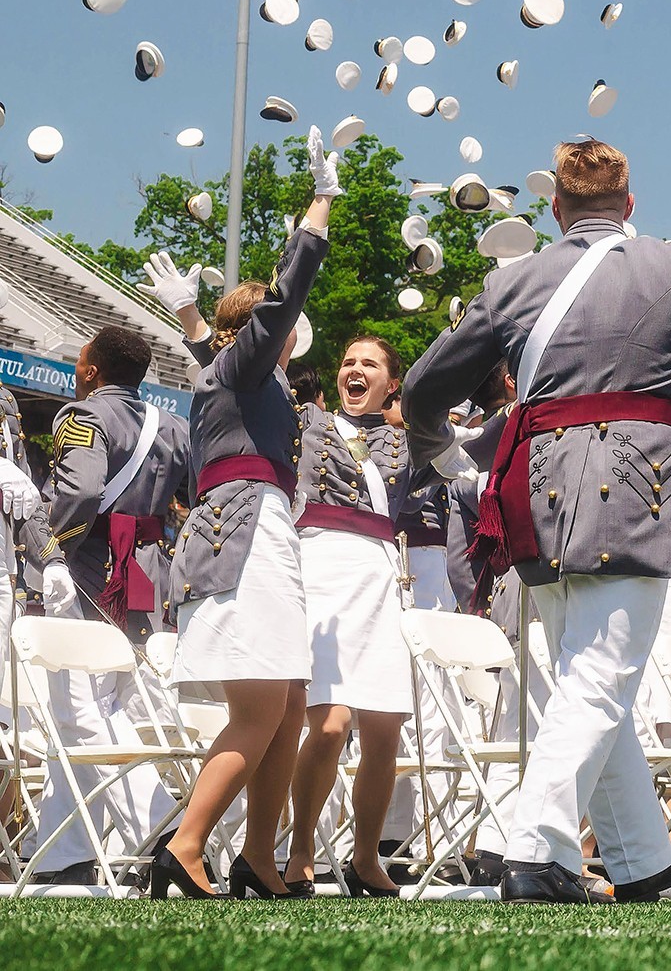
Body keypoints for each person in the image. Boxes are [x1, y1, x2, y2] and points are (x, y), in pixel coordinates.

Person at [401, 137, 671, 905]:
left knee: (594, 677)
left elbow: (422, 389)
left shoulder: (513, 278)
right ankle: (534, 848)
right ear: (629, 205)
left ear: (555, 210)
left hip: (534, 493)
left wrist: (452, 466)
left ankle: (639, 860)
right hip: (632, 486)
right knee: (602, 673)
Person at [155, 127, 338, 900]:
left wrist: (192, 324)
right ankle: (186, 844)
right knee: (266, 702)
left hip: (259, 530)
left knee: (288, 701)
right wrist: (320, 205)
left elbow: (219, 367)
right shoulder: (244, 366)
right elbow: (279, 303)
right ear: (265, 330)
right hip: (247, 531)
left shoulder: (235, 376)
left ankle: (258, 859)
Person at [18, 325, 189, 885]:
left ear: (91, 370)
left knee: (74, 706)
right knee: (106, 706)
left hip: (89, 567)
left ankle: (165, 825)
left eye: (80, 361)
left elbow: (80, 492)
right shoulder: (173, 426)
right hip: (145, 574)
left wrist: (47, 551)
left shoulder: (83, 415)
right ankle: (64, 853)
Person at [283, 337, 416, 898]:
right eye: (348, 363)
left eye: (370, 365)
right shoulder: (306, 423)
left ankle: (366, 857)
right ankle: (301, 849)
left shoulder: (412, 441)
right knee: (331, 723)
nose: (354, 371)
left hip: (380, 573)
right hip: (321, 566)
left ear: (391, 385)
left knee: (385, 728)